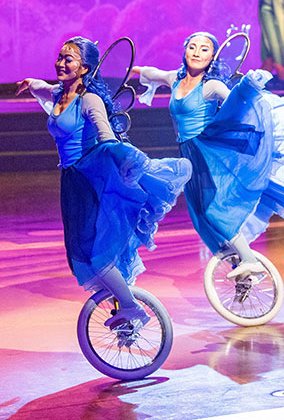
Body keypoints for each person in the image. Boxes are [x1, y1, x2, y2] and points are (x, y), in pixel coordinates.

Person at [16, 37, 191, 328]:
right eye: (60, 57)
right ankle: (122, 311)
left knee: (98, 254)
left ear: (84, 68)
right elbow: (44, 90)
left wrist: (125, 161)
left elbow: (106, 135)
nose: (60, 63)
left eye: (68, 59)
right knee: (81, 253)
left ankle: (132, 308)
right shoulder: (60, 93)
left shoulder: (89, 100)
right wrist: (30, 82)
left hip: (93, 178)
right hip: (73, 182)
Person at [133, 31, 284, 278]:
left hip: (210, 153)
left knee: (215, 211)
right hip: (189, 156)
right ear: (185, 51)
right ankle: (241, 269)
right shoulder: (174, 80)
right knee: (201, 218)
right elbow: (150, 72)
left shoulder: (211, 86)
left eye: (204, 49)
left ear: (212, 57)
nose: (197, 53)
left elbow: (242, 106)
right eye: (192, 47)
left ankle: (249, 260)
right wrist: (130, 69)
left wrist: (246, 98)